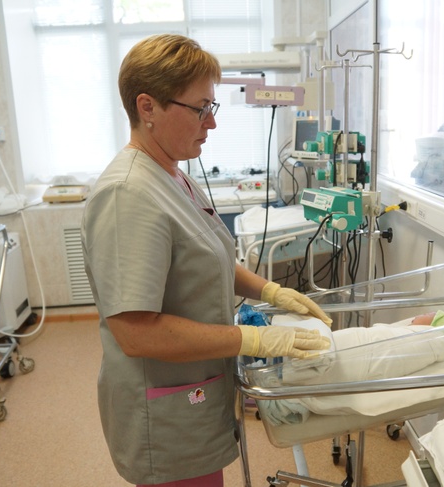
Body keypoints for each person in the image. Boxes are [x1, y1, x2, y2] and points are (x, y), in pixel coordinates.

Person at [80, 34, 332, 487]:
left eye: (211, 107)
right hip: (164, 409)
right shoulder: (128, 195)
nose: (211, 123)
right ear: (147, 107)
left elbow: (205, 257)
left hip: (193, 388)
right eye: (200, 109)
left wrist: (270, 290)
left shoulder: (173, 175)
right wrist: (252, 339)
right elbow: (134, 332)